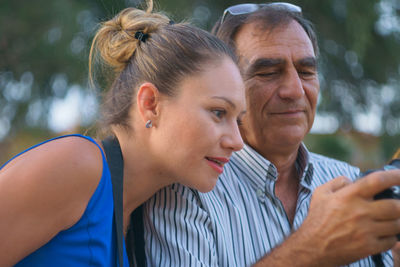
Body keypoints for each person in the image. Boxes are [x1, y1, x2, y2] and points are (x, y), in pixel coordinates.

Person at [143, 3, 400, 266]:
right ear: (225, 87)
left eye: (306, 71)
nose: (295, 90)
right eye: (267, 72)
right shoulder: (184, 191)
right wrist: (310, 248)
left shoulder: (351, 182)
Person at [0, 0, 247, 266]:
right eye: (219, 112)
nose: (237, 142)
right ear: (150, 103)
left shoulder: (146, 218)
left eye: (239, 121)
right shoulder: (76, 166)